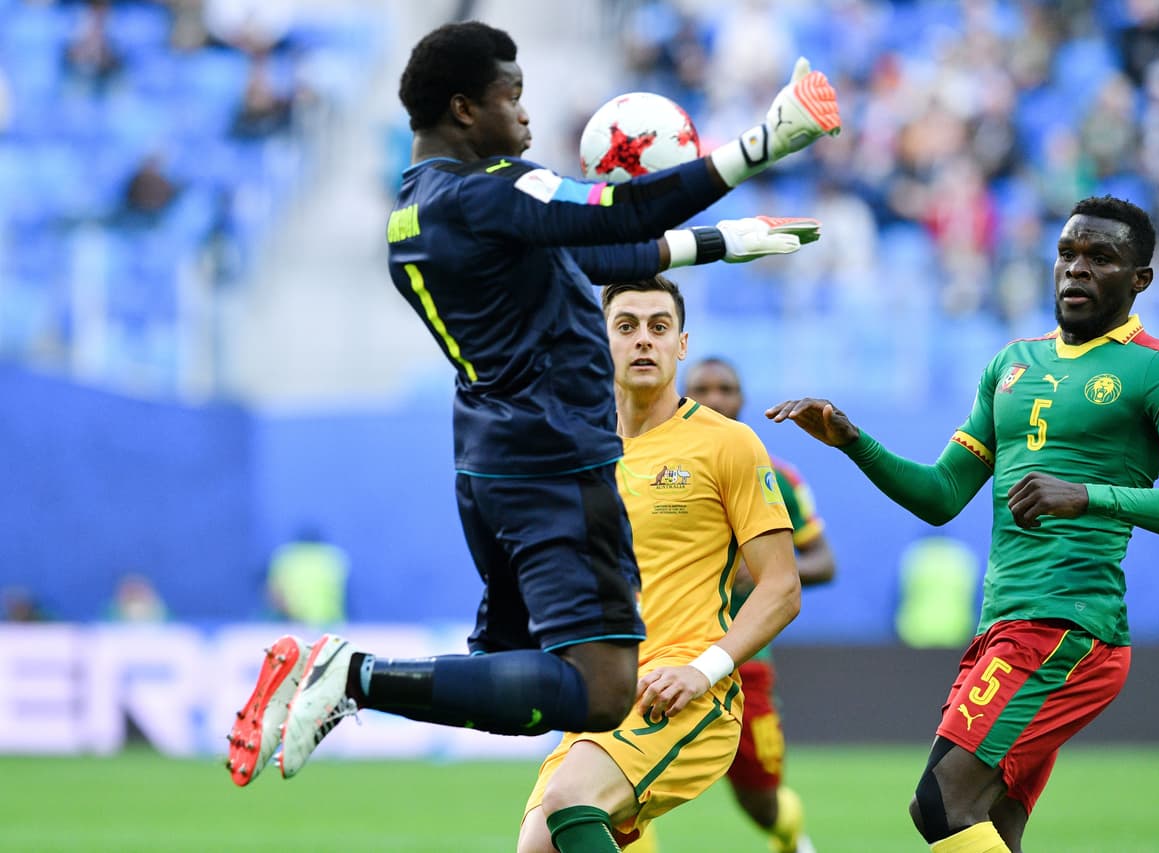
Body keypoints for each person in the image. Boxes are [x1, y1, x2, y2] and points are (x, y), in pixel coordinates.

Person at [225, 20, 840, 800]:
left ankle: (355, 680)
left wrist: (720, 242)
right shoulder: (494, 189)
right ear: (462, 109)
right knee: (606, 689)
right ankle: (353, 674)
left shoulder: (416, 213)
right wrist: (763, 143)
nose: (524, 117)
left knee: (530, 682)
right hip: (559, 463)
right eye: (510, 98)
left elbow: (575, 256)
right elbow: (615, 214)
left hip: (491, 466)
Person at [767, 196, 1159, 853]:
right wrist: (853, 440)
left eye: (1101, 258)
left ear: (1140, 280)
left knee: (939, 802)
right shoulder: (1011, 363)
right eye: (1067, 253)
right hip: (1005, 624)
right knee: (991, 825)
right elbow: (941, 494)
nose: (1076, 269)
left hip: (1068, 626)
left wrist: (1088, 495)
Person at [518, 276, 801, 853]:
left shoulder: (728, 443)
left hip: (684, 690)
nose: (643, 340)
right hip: (602, 694)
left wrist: (704, 670)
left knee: (570, 802)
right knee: (538, 847)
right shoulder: (579, 448)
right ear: (602, 342)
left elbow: (782, 588)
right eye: (626, 327)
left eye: (658, 327)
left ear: (681, 343)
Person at [675, 356, 837, 853]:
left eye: (726, 388)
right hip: (664, 652)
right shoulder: (650, 466)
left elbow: (823, 562)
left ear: (743, 400)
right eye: (702, 388)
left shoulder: (775, 477)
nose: (716, 398)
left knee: (760, 802)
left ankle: (790, 837)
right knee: (617, 787)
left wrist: (767, 571)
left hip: (744, 662)